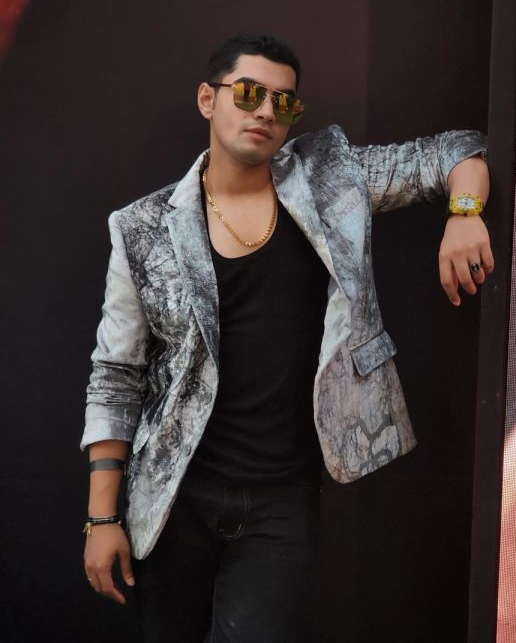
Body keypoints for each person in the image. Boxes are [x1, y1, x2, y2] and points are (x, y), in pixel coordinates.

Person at [81, 33, 493, 642]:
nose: (267, 111)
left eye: (284, 101)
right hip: (174, 497)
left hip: (282, 498)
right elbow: (116, 374)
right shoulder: (142, 227)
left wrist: (465, 213)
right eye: (249, 93)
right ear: (207, 99)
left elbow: (459, 150)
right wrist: (101, 517)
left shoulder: (330, 180)